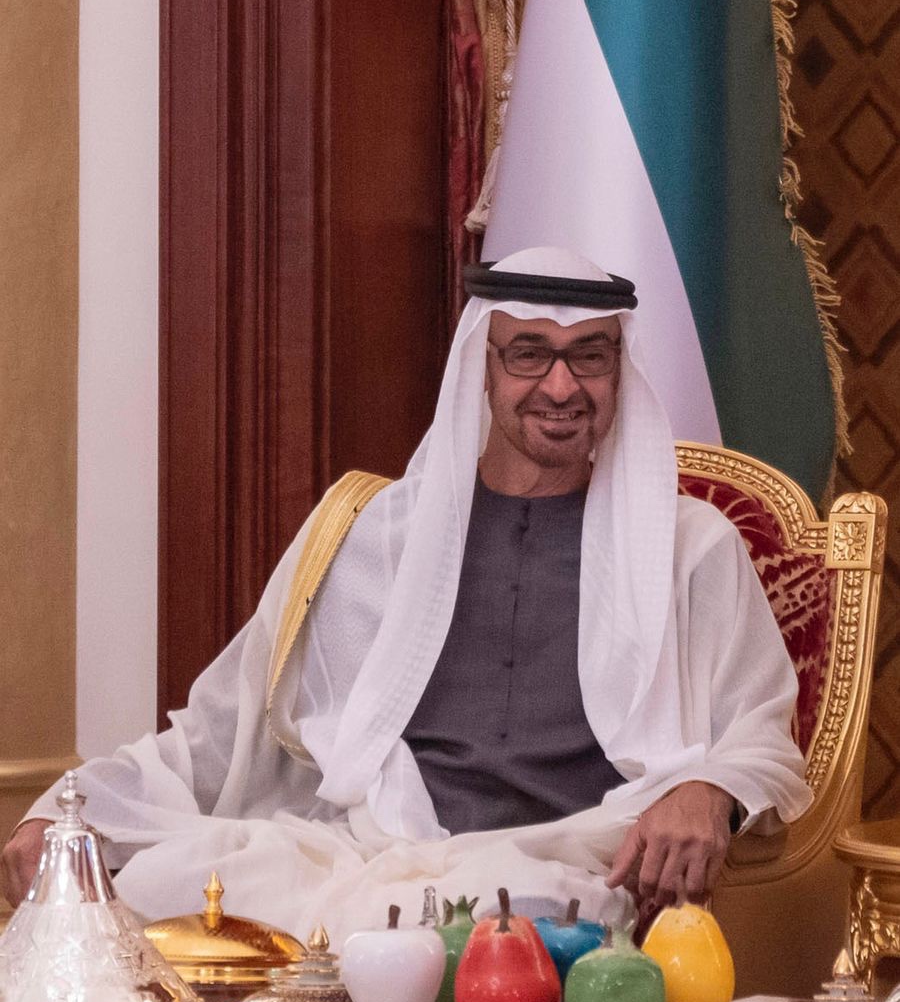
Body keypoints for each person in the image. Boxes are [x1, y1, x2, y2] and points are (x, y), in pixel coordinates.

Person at [1, 248, 810, 940]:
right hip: (368, 854)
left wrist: (707, 789)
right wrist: (68, 809)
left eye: (589, 356)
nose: (562, 386)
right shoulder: (375, 537)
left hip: (557, 866)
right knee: (159, 882)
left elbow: (763, 734)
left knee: (516, 916)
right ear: (481, 368)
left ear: (618, 370)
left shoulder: (687, 545)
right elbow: (217, 731)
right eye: (529, 354)